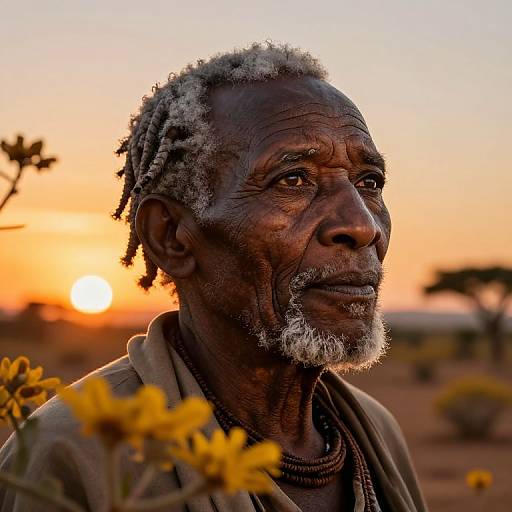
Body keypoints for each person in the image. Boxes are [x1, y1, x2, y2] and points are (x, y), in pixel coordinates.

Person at [0, 43, 427, 511]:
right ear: (172, 236)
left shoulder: (375, 431)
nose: (362, 225)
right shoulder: (74, 452)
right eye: (293, 179)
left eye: (369, 182)